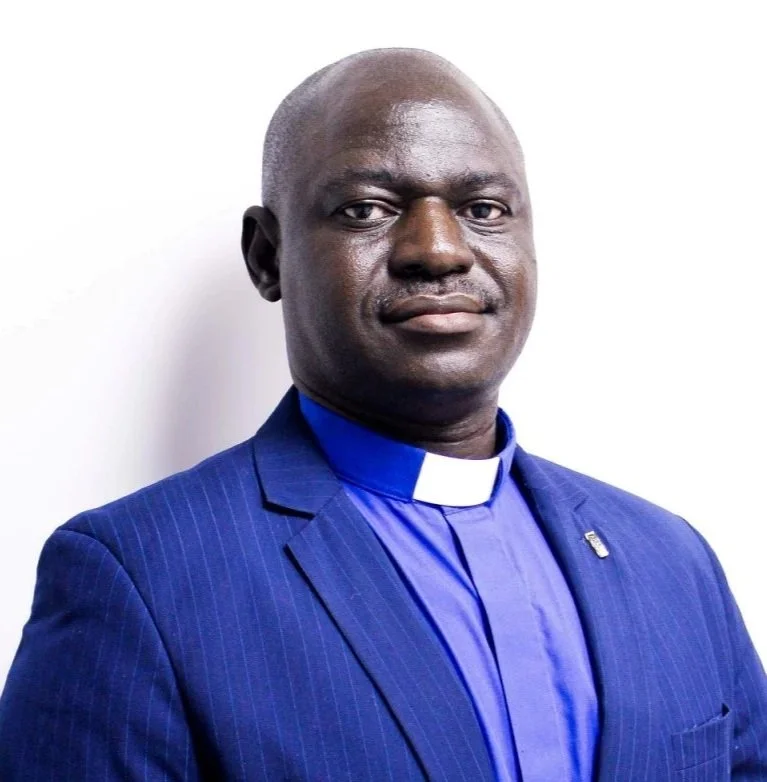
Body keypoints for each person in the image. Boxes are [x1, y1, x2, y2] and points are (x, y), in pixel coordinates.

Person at [0, 48, 764, 781]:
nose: (438, 250)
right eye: (365, 209)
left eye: (483, 208)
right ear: (266, 257)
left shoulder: (671, 560)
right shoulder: (136, 578)